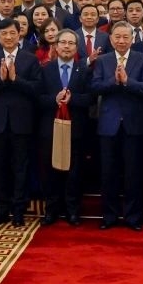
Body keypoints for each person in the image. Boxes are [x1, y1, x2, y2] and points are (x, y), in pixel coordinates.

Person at [91, 21, 143, 230]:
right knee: (108, 173)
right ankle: (109, 217)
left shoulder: (142, 60)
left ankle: (134, 218)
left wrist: (127, 81)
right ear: (111, 39)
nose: (121, 40)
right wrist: (114, 81)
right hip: (108, 125)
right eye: (117, 37)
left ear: (132, 39)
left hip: (134, 125)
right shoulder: (103, 60)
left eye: (126, 37)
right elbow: (96, 86)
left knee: (134, 174)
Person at [0, 19, 42, 227]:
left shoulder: (30, 59)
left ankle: (18, 210)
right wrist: (1, 80)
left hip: (22, 123)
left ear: (19, 35)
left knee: (20, 168)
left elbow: (36, 90)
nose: (8, 37)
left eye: (12, 33)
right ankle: (1, 210)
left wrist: (15, 79)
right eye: (4, 34)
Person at [37, 29, 91, 226]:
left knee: (74, 171)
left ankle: (72, 211)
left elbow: (91, 99)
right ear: (56, 46)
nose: (67, 46)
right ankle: (51, 210)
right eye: (63, 43)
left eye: (71, 43)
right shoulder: (45, 69)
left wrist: (73, 99)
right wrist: (54, 99)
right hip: (50, 128)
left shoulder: (84, 70)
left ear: (76, 48)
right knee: (49, 171)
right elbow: (37, 98)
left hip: (75, 129)